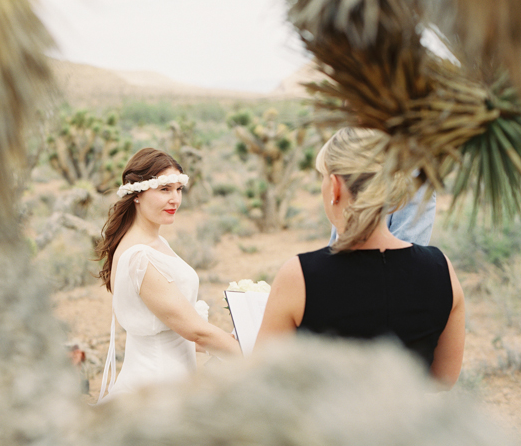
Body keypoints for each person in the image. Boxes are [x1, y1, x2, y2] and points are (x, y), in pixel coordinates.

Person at [256, 128, 465, 389]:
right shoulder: (441, 269)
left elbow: (264, 380)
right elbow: (444, 380)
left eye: (323, 177)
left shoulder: (299, 276)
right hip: (409, 428)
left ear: (334, 186)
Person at [93, 148, 240, 403]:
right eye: (164, 190)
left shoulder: (152, 243)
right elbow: (195, 331)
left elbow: (175, 331)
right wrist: (253, 357)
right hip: (156, 391)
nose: (175, 199)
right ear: (137, 194)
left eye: (178, 189)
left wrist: (229, 341)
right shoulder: (141, 257)